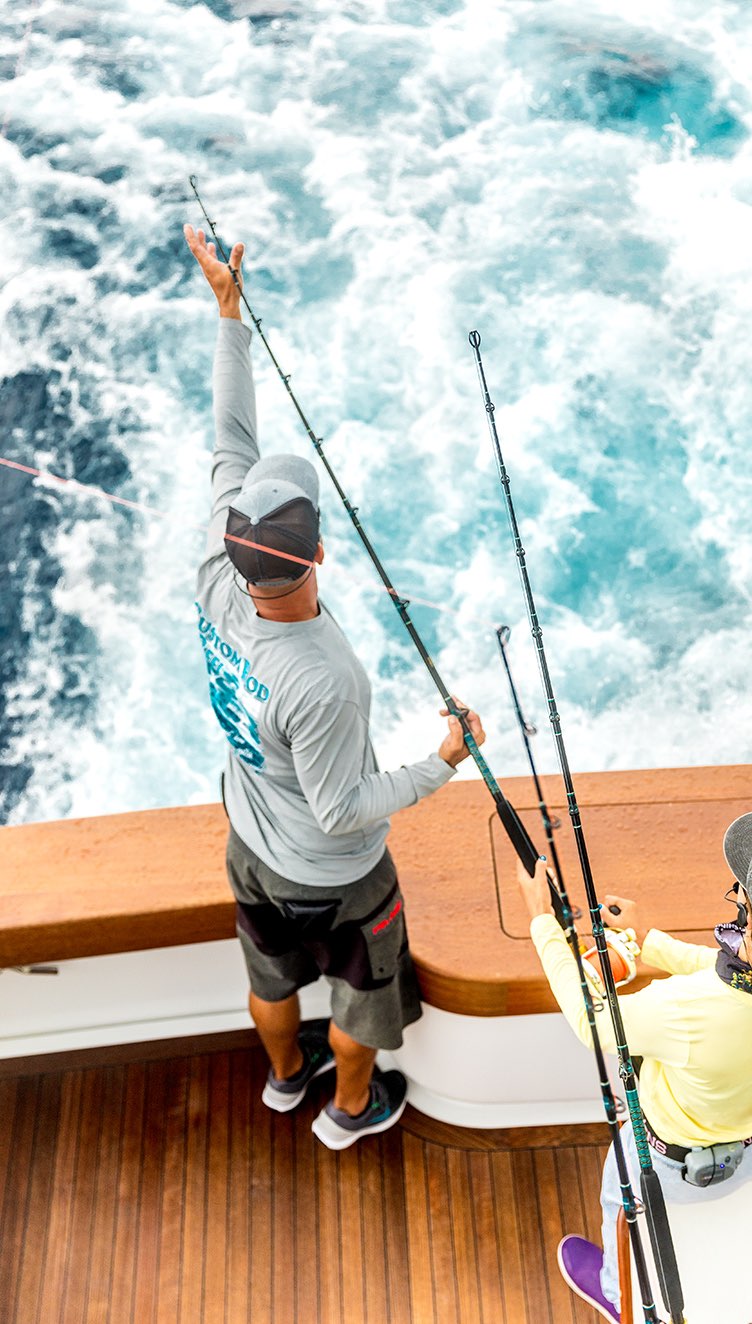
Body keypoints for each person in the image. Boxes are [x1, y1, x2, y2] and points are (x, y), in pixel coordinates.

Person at [184, 223, 484, 1149]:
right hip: (338, 877)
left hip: (250, 844)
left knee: (271, 980)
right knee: (361, 993)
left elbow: (231, 437)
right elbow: (346, 806)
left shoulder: (212, 567)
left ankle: (283, 1081)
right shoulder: (326, 680)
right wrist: (443, 760)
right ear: (319, 550)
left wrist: (228, 315)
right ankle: (350, 1109)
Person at [518, 811, 752, 1322]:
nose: (736, 891)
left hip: (676, 1169)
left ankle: (615, 1293)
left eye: (740, 889)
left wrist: (542, 920)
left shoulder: (687, 1009)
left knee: (619, 1200)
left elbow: (592, 1022)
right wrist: (649, 940)